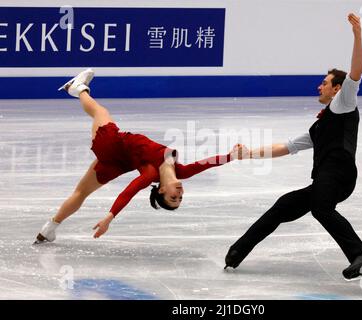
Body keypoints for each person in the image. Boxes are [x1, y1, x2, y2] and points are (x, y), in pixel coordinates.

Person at [224, 13, 362, 280]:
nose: (318, 86)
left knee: (322, 208)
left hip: (338, 173)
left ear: (337, 89)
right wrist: (248, 153)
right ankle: (238, 251)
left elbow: (355, 74)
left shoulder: (343, 103)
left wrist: (357, 35)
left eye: (324, 82)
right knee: (283, 206)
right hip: (327, 178)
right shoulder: (320, 125)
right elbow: (287, 147)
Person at [35, 69, 246, 243]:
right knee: (81, 192)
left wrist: (110, 216)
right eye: (180, 198)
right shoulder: (180, 170)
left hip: (112, 145)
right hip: (119, 162)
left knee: (101, 112)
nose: (179, 194)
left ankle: (78, 88)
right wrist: (231, 156)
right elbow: (205, 164)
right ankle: (49, 229)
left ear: (162, 190)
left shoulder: (150, 173)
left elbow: (130, 191)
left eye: (173, 197)